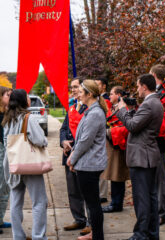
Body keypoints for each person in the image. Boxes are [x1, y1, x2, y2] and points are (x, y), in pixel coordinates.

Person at [117, 74, 164, 240]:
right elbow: (137, 123)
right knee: (150, 198)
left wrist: (122, 109)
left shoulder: (149, 104)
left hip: (142, 157)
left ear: (144, 87)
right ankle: (151, 233)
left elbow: (132, 126)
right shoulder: (154, 102)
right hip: (148, 155)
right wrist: (130, 111)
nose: (137, 90)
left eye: (138, 86)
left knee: (142, 199)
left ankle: (140, 234)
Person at [2, 89, 48, 240]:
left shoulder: (7, 119)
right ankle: (38, 236)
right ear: (23, 100)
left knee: (15, 202)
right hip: (30, 165)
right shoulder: (29, 118)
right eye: (27, 97)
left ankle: (18, 236)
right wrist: (45, 141)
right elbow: (40, 140)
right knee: (39, 201)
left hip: (13, 165)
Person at [67, 80, 108, 240]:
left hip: (90, 165)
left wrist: (72, 158)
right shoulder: (91, 111)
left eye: (81, 91)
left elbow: (85, 141)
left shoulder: (95, 113)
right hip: (87, 163)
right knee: (93, 203)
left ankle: (97, 236)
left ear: (89, 94)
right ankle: (95, 234)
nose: (78, 94)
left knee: (93, 204)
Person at [60, 78, 89, 233]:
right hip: (68, 153)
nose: (73, 90)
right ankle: (79, 219)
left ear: (84, 88)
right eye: (71, 87)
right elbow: (63, 128)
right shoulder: (71, 106)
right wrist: (64, 141)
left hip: (84, 156)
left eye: (76, 87)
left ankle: (91, 223)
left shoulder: (90, 108)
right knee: (73, 191)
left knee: (88, 191)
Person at [101, 86, 130, 213]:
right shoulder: (113, 108)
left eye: (111, 94)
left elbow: (125, 127)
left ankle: (116, 204)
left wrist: (109, 131)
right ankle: (115, 202)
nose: (109, 96)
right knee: (114, 176)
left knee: (117, 176)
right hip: (113, 144)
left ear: (118, 95)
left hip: (118, 145)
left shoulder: (124, 109)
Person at [150, 64, 165, 225]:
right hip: (155, 140)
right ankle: (158, 209)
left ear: (154, 75)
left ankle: (161, 212)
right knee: (156, 178)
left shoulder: (161, 94)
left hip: (160, 140)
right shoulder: (158, 93)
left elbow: (163, 119)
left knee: (160, 178)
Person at [95, 76, 111, 203]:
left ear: (104, 86)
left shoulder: (106, 100)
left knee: (102, 165)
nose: (96, 87)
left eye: (98, 84)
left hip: (105, 133)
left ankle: (102, 194)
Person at [0, 86, 12, 235]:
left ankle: (0, 219)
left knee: (5, 188)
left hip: (7, 151)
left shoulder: (7, 113)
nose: (10, 97)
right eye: (8, 95)